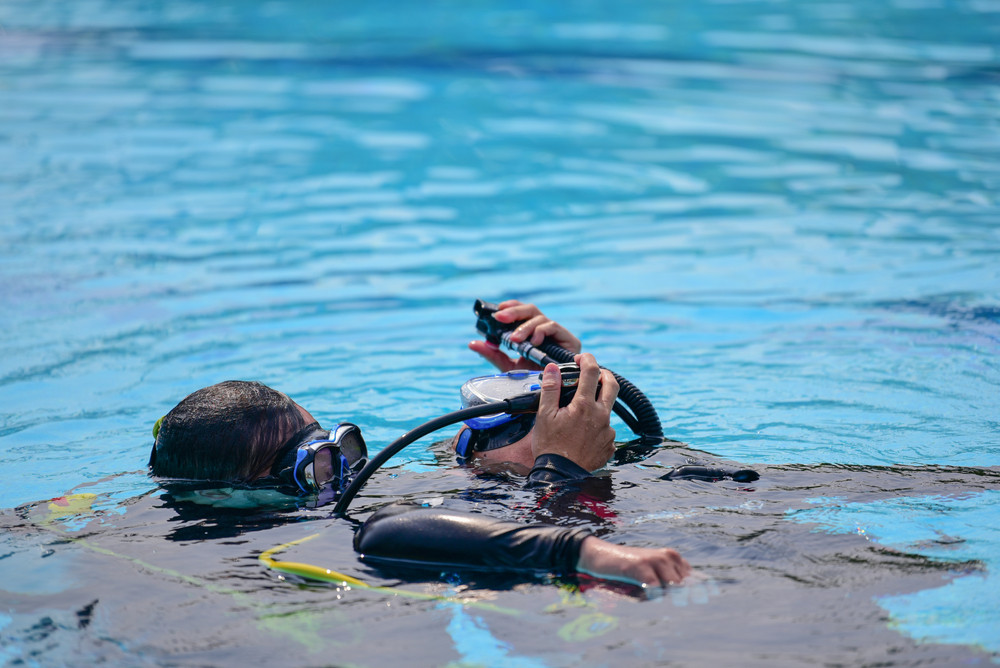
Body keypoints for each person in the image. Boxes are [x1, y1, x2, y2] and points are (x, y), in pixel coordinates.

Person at [149, 301, 692, 589]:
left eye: (344, 449)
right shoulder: (308, 548)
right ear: (229, 500)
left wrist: (552, 390)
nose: (348, 474)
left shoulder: (365, 500)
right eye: (314, 467)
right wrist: (557, 469)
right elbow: (399, 534)